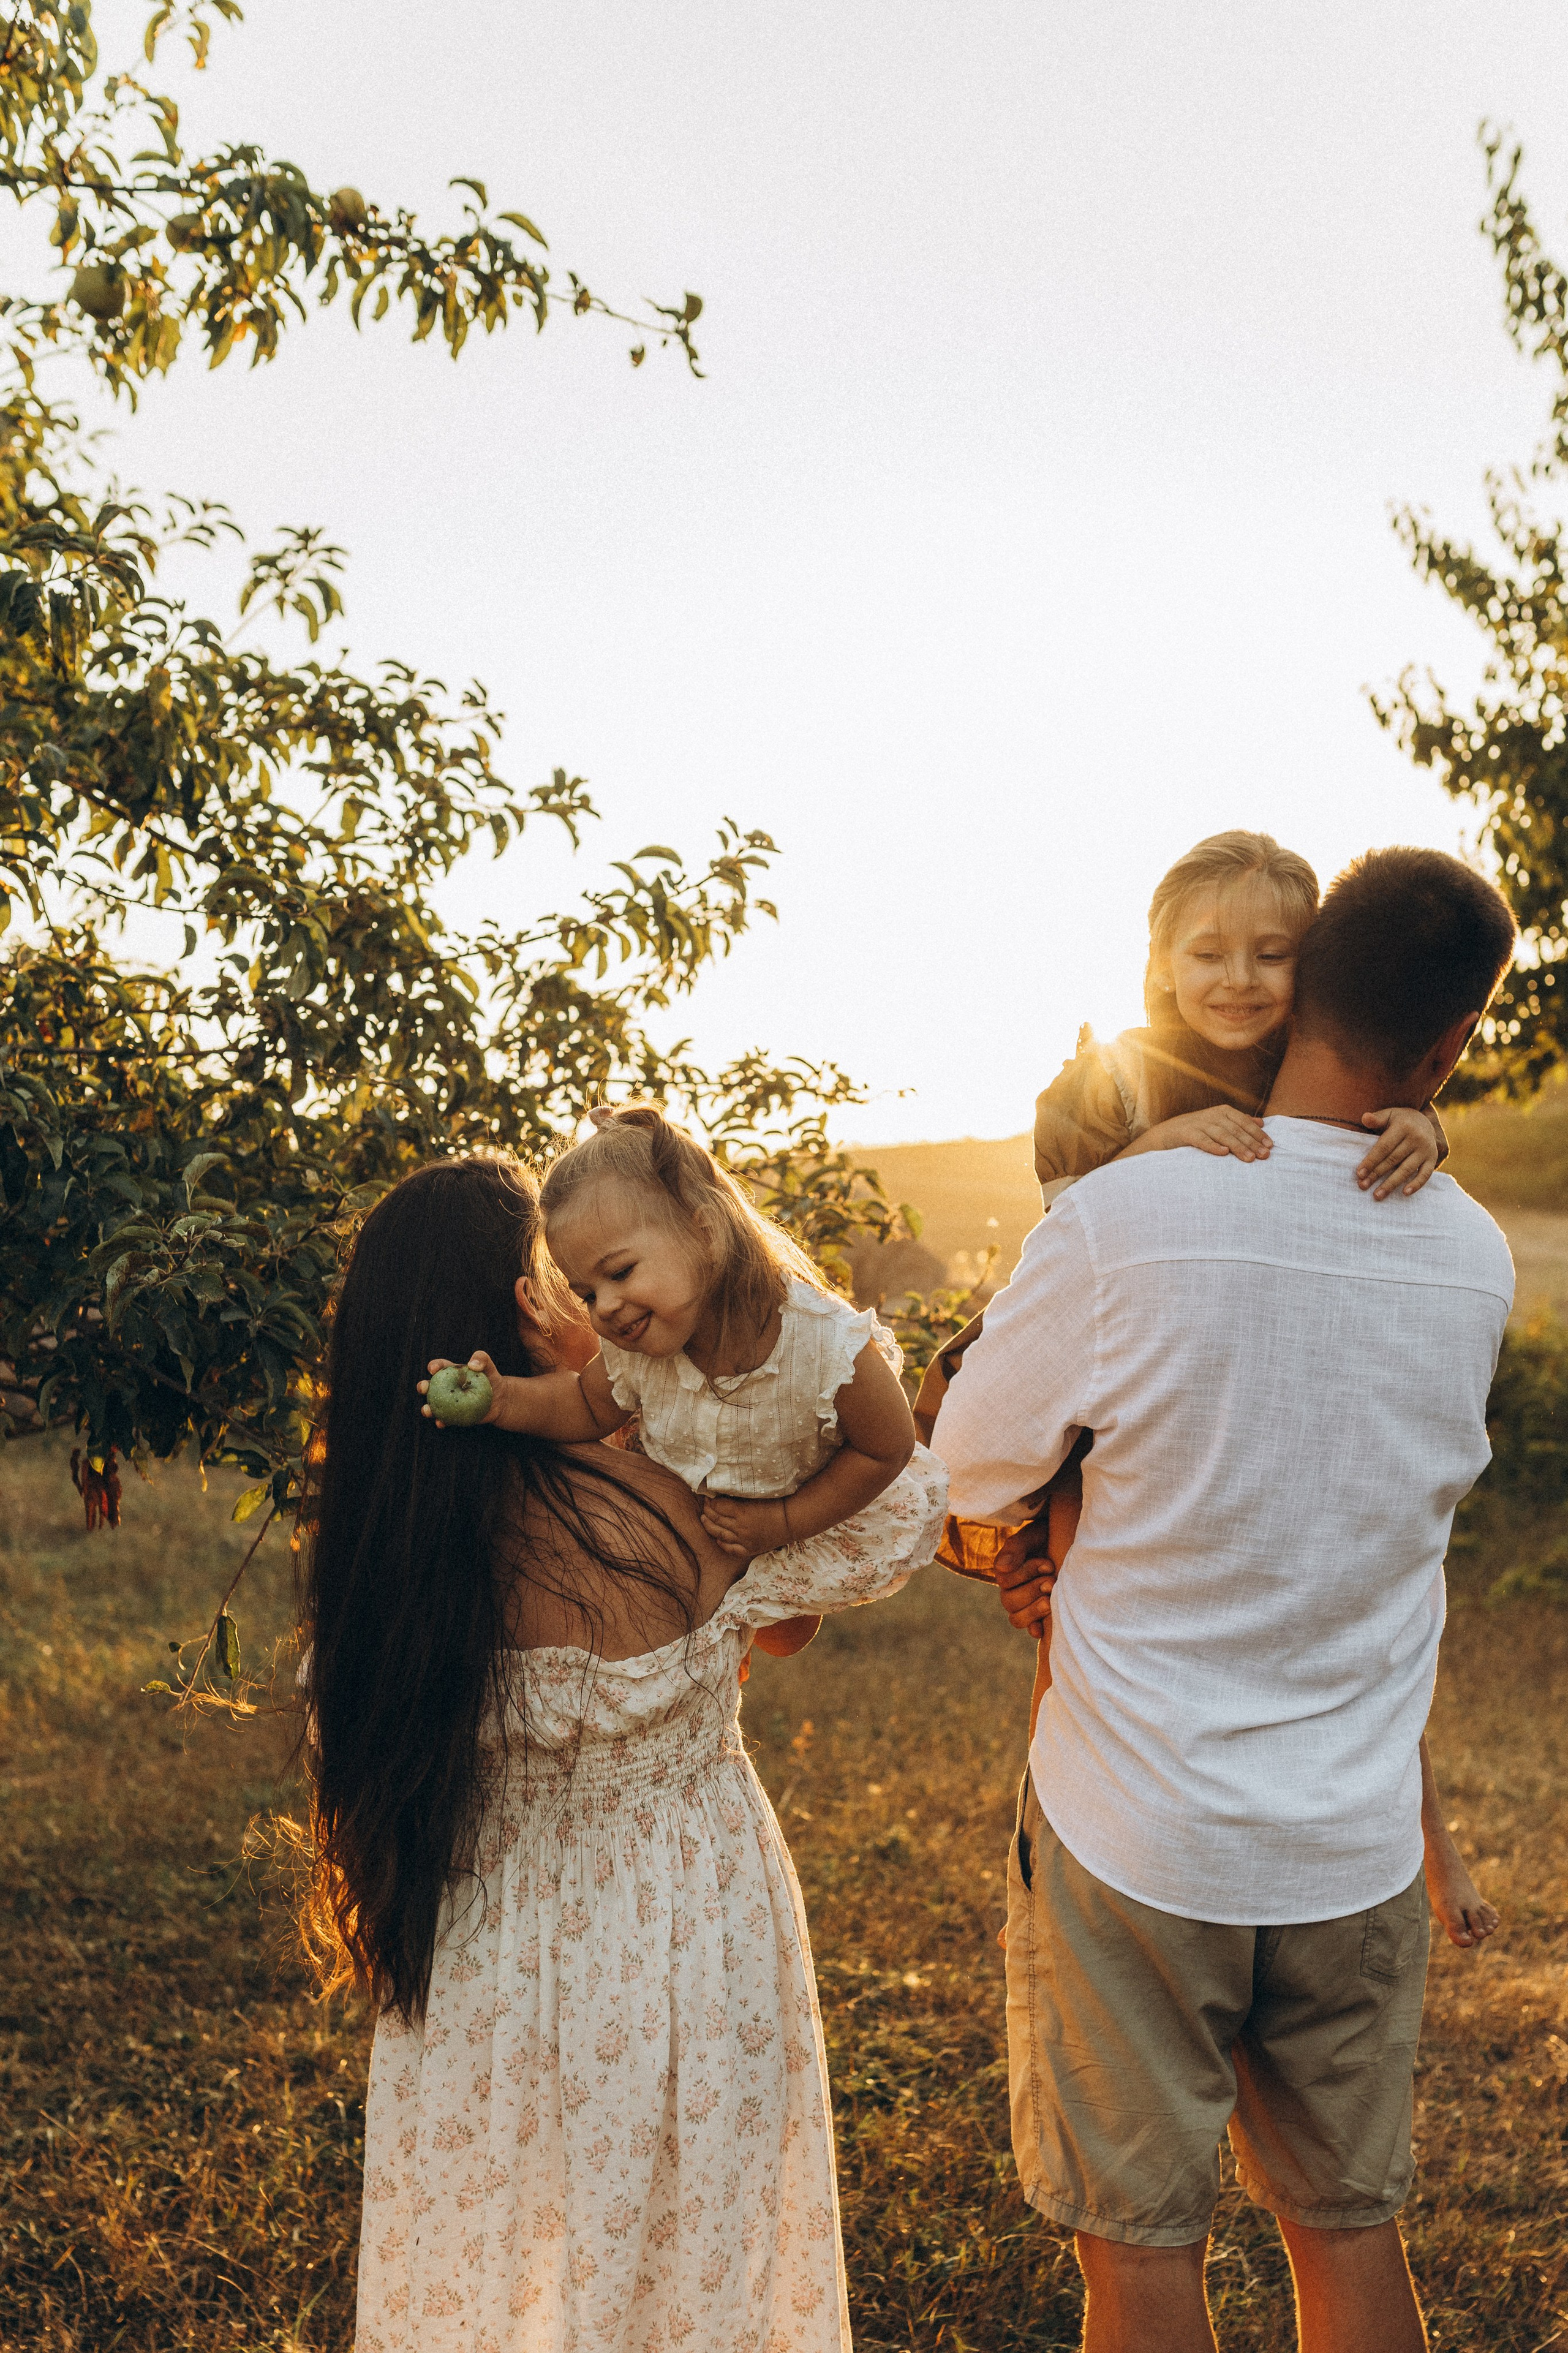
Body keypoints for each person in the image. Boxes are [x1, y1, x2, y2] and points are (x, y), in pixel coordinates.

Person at [934, 847, 1518, 2353]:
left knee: (1139, 2258)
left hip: (1136, 1824)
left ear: (1300, 978)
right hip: (1349, 1840)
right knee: (1349, 2232)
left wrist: (1035, 1536)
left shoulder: (1127, 1214)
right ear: (1448, 1044)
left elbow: (966, 1464)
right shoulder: (1470, 1254)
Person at [299, 1154, 946, 2353]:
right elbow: (832, 1577)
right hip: (689, 1927)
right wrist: (645, 1406)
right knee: (693, 2274)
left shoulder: (383, 1555)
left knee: (495, 2268)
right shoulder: (667, 1490)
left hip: (481, 1957)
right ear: (529, 1308)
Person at [918, 828, 1490, 1946]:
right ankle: (1074, 1774)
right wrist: (1162, 1144)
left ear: (1313, 971)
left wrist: (1426, 1125)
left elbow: (1379, 1097)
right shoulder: (1114, 1077)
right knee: (1067, 1581)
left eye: (1272, 955)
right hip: (1104, 1356)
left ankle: (1412, 1836)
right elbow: (1075, 1227)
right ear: (1159, 964)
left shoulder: (1307, 1072)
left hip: (1206, 1366)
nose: (1239, 980)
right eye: (1208, 954)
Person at [421, 1104, 938, 1645]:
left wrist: (784, 1521)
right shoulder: (638, 1349)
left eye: (621, 1272)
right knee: (723, 1637)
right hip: (703, 1536)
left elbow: (887, 1446)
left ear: (705, 1233)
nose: (606, 1307)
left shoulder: (823, 1343)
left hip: (805, 1509)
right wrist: (505, 1400)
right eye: (587, 1294)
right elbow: (583, 1404)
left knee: (787, 1634)